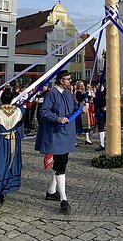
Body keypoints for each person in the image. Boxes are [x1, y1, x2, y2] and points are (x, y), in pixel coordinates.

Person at [35, 70, 77, 214]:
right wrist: (57, 118)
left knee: (62, 162)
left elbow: (72, 109)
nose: (70, 81)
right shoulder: (51, 94)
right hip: (55, 135)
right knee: (61, 164)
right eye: (68, 79)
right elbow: (44, 112)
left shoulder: (68, 94)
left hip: (66, 134)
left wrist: (81, 109)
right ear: (60, 80)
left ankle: (51, 191)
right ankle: (63, 200)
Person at [94, 83, 106, 151]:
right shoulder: (98, 93)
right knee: (101, 128)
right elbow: (97, 103)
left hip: (109, 112)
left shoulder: (107, 91)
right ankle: (102, 144)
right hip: (101, 111)